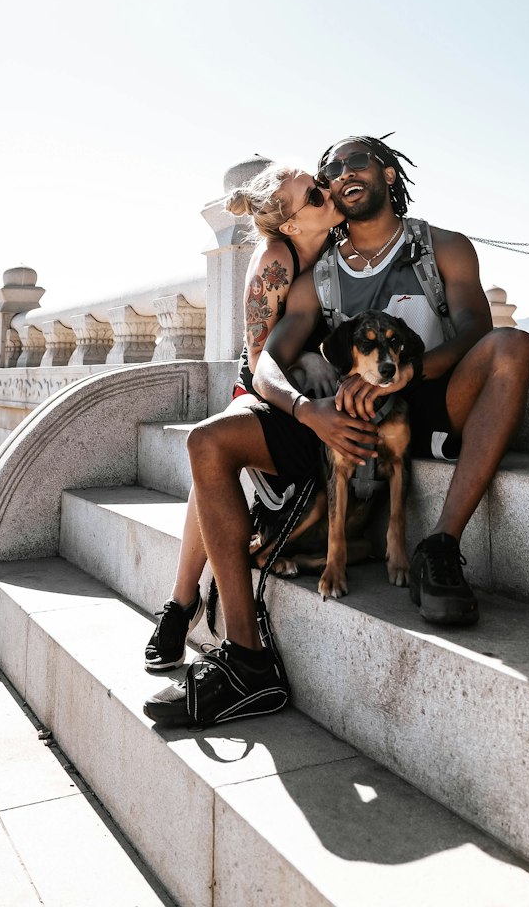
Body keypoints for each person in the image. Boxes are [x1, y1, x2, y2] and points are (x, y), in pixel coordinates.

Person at [144, 135, 529, 730]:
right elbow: (269, 361)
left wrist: (402, 375)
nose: (341, 173)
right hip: (338, 415)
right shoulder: (317, 272)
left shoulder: (443, 247)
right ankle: (247, 662)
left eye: (357, 160)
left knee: (512, 345)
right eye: (330, 169)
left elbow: (477, 330)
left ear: (386, 170)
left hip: (429, 397)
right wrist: (307, 411)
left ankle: (441, 545)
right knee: (208, 440)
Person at [142, 160, 342, 674]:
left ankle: (188, 603)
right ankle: (183, 599)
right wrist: (311, 375)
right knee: (213, 444)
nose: (326, 192)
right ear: (293, 224)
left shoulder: (336, 243)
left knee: (212, 447)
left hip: (318, 391)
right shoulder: (277, 257)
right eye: (314, 195)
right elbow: (261, 357)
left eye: (320, 185)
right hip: (268, 387)